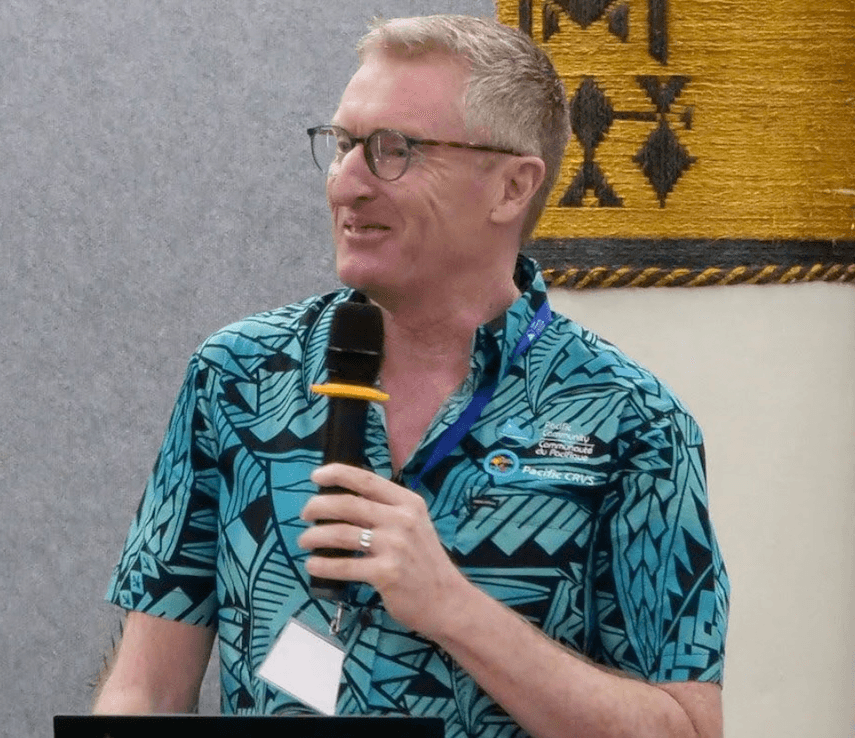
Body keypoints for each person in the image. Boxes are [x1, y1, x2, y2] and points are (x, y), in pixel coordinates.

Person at [93, 14, 729, 738]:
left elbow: (688, 730)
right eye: (342, 145)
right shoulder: (236, 377)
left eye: (396, 150)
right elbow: (145, 690)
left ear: (512, 188)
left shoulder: (631, 422)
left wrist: (452, 607)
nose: (349, 183)